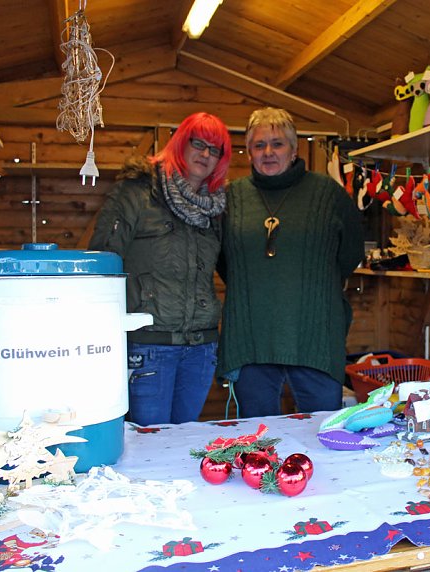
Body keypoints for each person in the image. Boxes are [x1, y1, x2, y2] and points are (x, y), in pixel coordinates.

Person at [218, 107, 364, 417]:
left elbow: (350, 252)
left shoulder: (327, 195)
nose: (268, 152)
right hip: (251, 336)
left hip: (315, 336)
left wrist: (312, 285)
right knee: (257, 438)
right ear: (249, 153)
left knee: (322, 433)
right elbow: (224, 260)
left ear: (294, 149)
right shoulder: (232, 198)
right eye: (259, 145)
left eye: (277, 144)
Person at [89, 112, 232, 425]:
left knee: (183, 441)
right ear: (181, 143)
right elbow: (103, 261)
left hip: (201, 347)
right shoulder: (137, 192)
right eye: (199, 144)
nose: (206, 154)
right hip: (149, 344)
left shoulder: (217, 207)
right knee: (147, 445)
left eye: (215, 149)